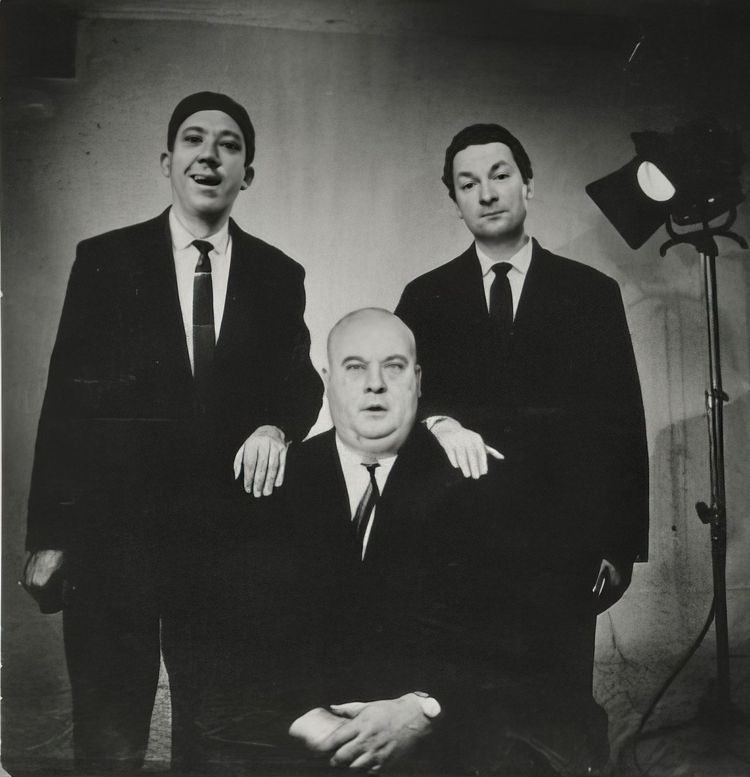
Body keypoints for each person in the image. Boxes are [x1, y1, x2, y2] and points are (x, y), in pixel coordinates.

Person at [21, 91, 323, 773]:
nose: (209, 156)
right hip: (113, 538)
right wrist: (50, 532)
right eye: (194, 139)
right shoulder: (105, 259)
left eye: (228, 145)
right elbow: (66, 401)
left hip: (228, 543)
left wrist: (276, 426)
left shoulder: (279, 275)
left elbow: (300, 382)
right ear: (167, 161)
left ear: (248, 173)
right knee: (108, 740)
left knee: (217, 736)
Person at [394, 123, 649, 771]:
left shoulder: (591, 293)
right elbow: (396, 406)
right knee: (465, 722)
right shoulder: (425, 296)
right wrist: (439, 423)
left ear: (528, 184)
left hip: (560, 549)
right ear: (454, 200)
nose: (486, 193)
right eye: (468, 183)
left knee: (555, 720)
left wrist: (619, 544)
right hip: (458, 548)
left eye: (500, 175)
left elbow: (620, 420)